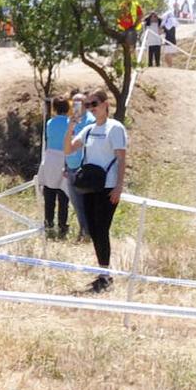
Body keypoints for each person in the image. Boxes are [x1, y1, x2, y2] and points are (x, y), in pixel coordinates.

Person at [64, 89, 126, 293]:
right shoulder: (89, 129)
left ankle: (105, 275)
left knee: (102, 229)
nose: (91, 107)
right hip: (90, 185)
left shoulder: (115, 128)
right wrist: (71, 126)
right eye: (88, 104)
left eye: (94, 103)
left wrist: (118, 186)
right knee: (93, 229)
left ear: (105, 104)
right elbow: (68, 149)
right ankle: (103, 272)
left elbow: (121, 158)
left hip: (107, 186)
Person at [62, 90, 94, 241]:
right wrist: (64, 164)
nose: (75, 105)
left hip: (83, 167)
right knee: (76, 203)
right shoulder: (71, 121)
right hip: (70, 166)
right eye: (73, 102)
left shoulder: (91, 121)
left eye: (79, 102)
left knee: (85, 203)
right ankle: (83, 232)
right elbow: (67, 143)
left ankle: (88, 233)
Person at [38, 97, 71, 239]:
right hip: (64, 158)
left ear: (54, 108)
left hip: (50, 158)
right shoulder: (71, 123)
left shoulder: (50, 123)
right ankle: (62, 226)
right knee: (63, 195)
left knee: (49, 193)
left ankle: (48, 223)